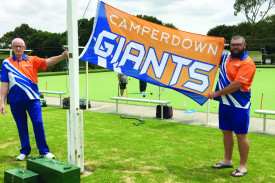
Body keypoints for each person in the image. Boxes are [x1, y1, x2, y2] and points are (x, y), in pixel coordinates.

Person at [0, 38, 69, 161]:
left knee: (38, 123)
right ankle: (25, 151)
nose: (18, 48)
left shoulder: (33, 60)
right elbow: (4, 83)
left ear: (24, 47)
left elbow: (48, 61)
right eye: (15, 46)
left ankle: (44, 151)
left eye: (20, 46)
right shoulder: (6, 63)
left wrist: (62, 56)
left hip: (33, 99)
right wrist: (2, 102)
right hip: (15, 101)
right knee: (21, 126)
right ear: (12, 48)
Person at [208, 35, 256, 177]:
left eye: (238, 45)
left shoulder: (247, 63)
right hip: (225, 103)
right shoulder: (227, 57)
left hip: (239, 105)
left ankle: (243, 166)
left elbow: (236, 85)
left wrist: (216, 93)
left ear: (244, 45)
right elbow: (211, 57)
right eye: (233, 44)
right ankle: (227, 160)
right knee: (226, 132)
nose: (235, 47)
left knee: (241, 134)